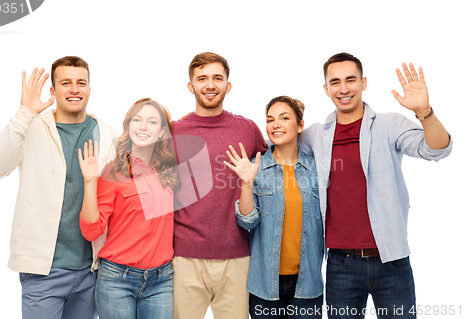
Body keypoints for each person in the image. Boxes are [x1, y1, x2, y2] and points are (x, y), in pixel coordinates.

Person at [301, 52, 452, 318]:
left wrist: (424, 113)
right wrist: (288, 116)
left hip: (391, 260)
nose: (344, 88)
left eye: (351, 80)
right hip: (340, 263)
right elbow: (281, 151)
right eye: (335, 82)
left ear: (364, 82)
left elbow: (436, 149)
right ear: (326, 89)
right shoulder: (315, 134)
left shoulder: (388, 124)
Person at [0, 56, 117, 319]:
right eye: (66, 83)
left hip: (93, 270)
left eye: (81, 83)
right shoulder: (31, 128)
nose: (74, 89)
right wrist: (24, 114)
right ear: (53, 91)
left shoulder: (106, 132)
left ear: (90, 89)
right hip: (43, 270)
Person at [171, 52, 267, 319]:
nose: (210, 85)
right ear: (191, 86)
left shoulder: (247, 130)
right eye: (202, 79)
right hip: (185, 257)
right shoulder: (174, 131)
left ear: (228, 85)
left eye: (217, 78)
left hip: (237, 256)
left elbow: (278, 161)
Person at [224, 96, 324, 319]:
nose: (275, 124)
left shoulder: (317, 169)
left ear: (300, 126)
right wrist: (247, 182)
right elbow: (247, 221)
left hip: (307, 283)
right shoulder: (255, 167)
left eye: (284, 118)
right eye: (270, 120)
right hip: (265, 284)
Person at [78, 98, 179, 319]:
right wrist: (90, 182)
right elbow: (91, 231)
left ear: (162, 132)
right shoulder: (112, 171)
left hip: (161, 280)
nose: (143, 126)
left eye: (152, 122)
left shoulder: (169, 172)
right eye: (137, 119)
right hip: (117, 280)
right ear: (128, 126)